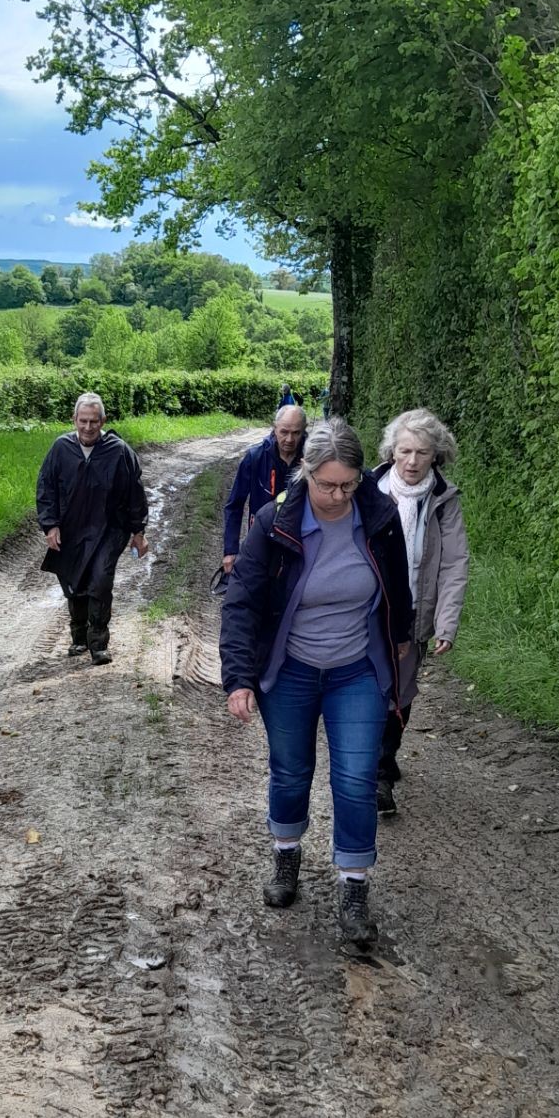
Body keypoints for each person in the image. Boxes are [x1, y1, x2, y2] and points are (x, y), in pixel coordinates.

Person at [220, 420, 412, 947]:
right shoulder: (273, 522)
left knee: (355, 779)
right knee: (290, 771)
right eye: (327, 484)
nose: (337, 495)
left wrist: (401, 637)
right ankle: (286, 857)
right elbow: (241, 605)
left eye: (348, 484)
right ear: (306, 473)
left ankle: (354, 886)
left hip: (356, 670)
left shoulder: (379, 517)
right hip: (292, 671)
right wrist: (238, 677)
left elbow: (397, 585)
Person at [370, 408, 470, 816]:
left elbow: (454, 564)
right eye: (405, 451)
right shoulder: (367, 491)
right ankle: (374, 769)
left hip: (415, 614)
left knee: (400, 690)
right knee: (369, 686)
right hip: (368, 611)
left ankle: (382, 759)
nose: (411, 461)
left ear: (436, 456)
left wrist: (446, 622)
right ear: (392, 451)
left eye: (422, 453)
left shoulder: (444, 501)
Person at [36, 393, 149, 666]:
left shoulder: (119, 451)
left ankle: (98, 643)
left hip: (110, 529)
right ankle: (78, 638)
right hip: (71, 527)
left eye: (94, 422)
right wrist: (50, 525)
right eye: (83, 421)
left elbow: (135, 493)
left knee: (100, 579)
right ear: (74, 420)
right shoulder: (61, 448)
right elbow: (46, 488)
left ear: (103, 421)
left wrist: (138, 532)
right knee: (74, 581)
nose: (88, 428)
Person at [222, 404, 306, 574]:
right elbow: (234, 505)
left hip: (299, 541)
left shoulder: (312, 459)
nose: (290, 439)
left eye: (296, 433)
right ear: (274, 429)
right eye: (284, 432)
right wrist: (230, 550)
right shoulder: (255, 457)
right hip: (261, 539)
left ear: (304, 431)